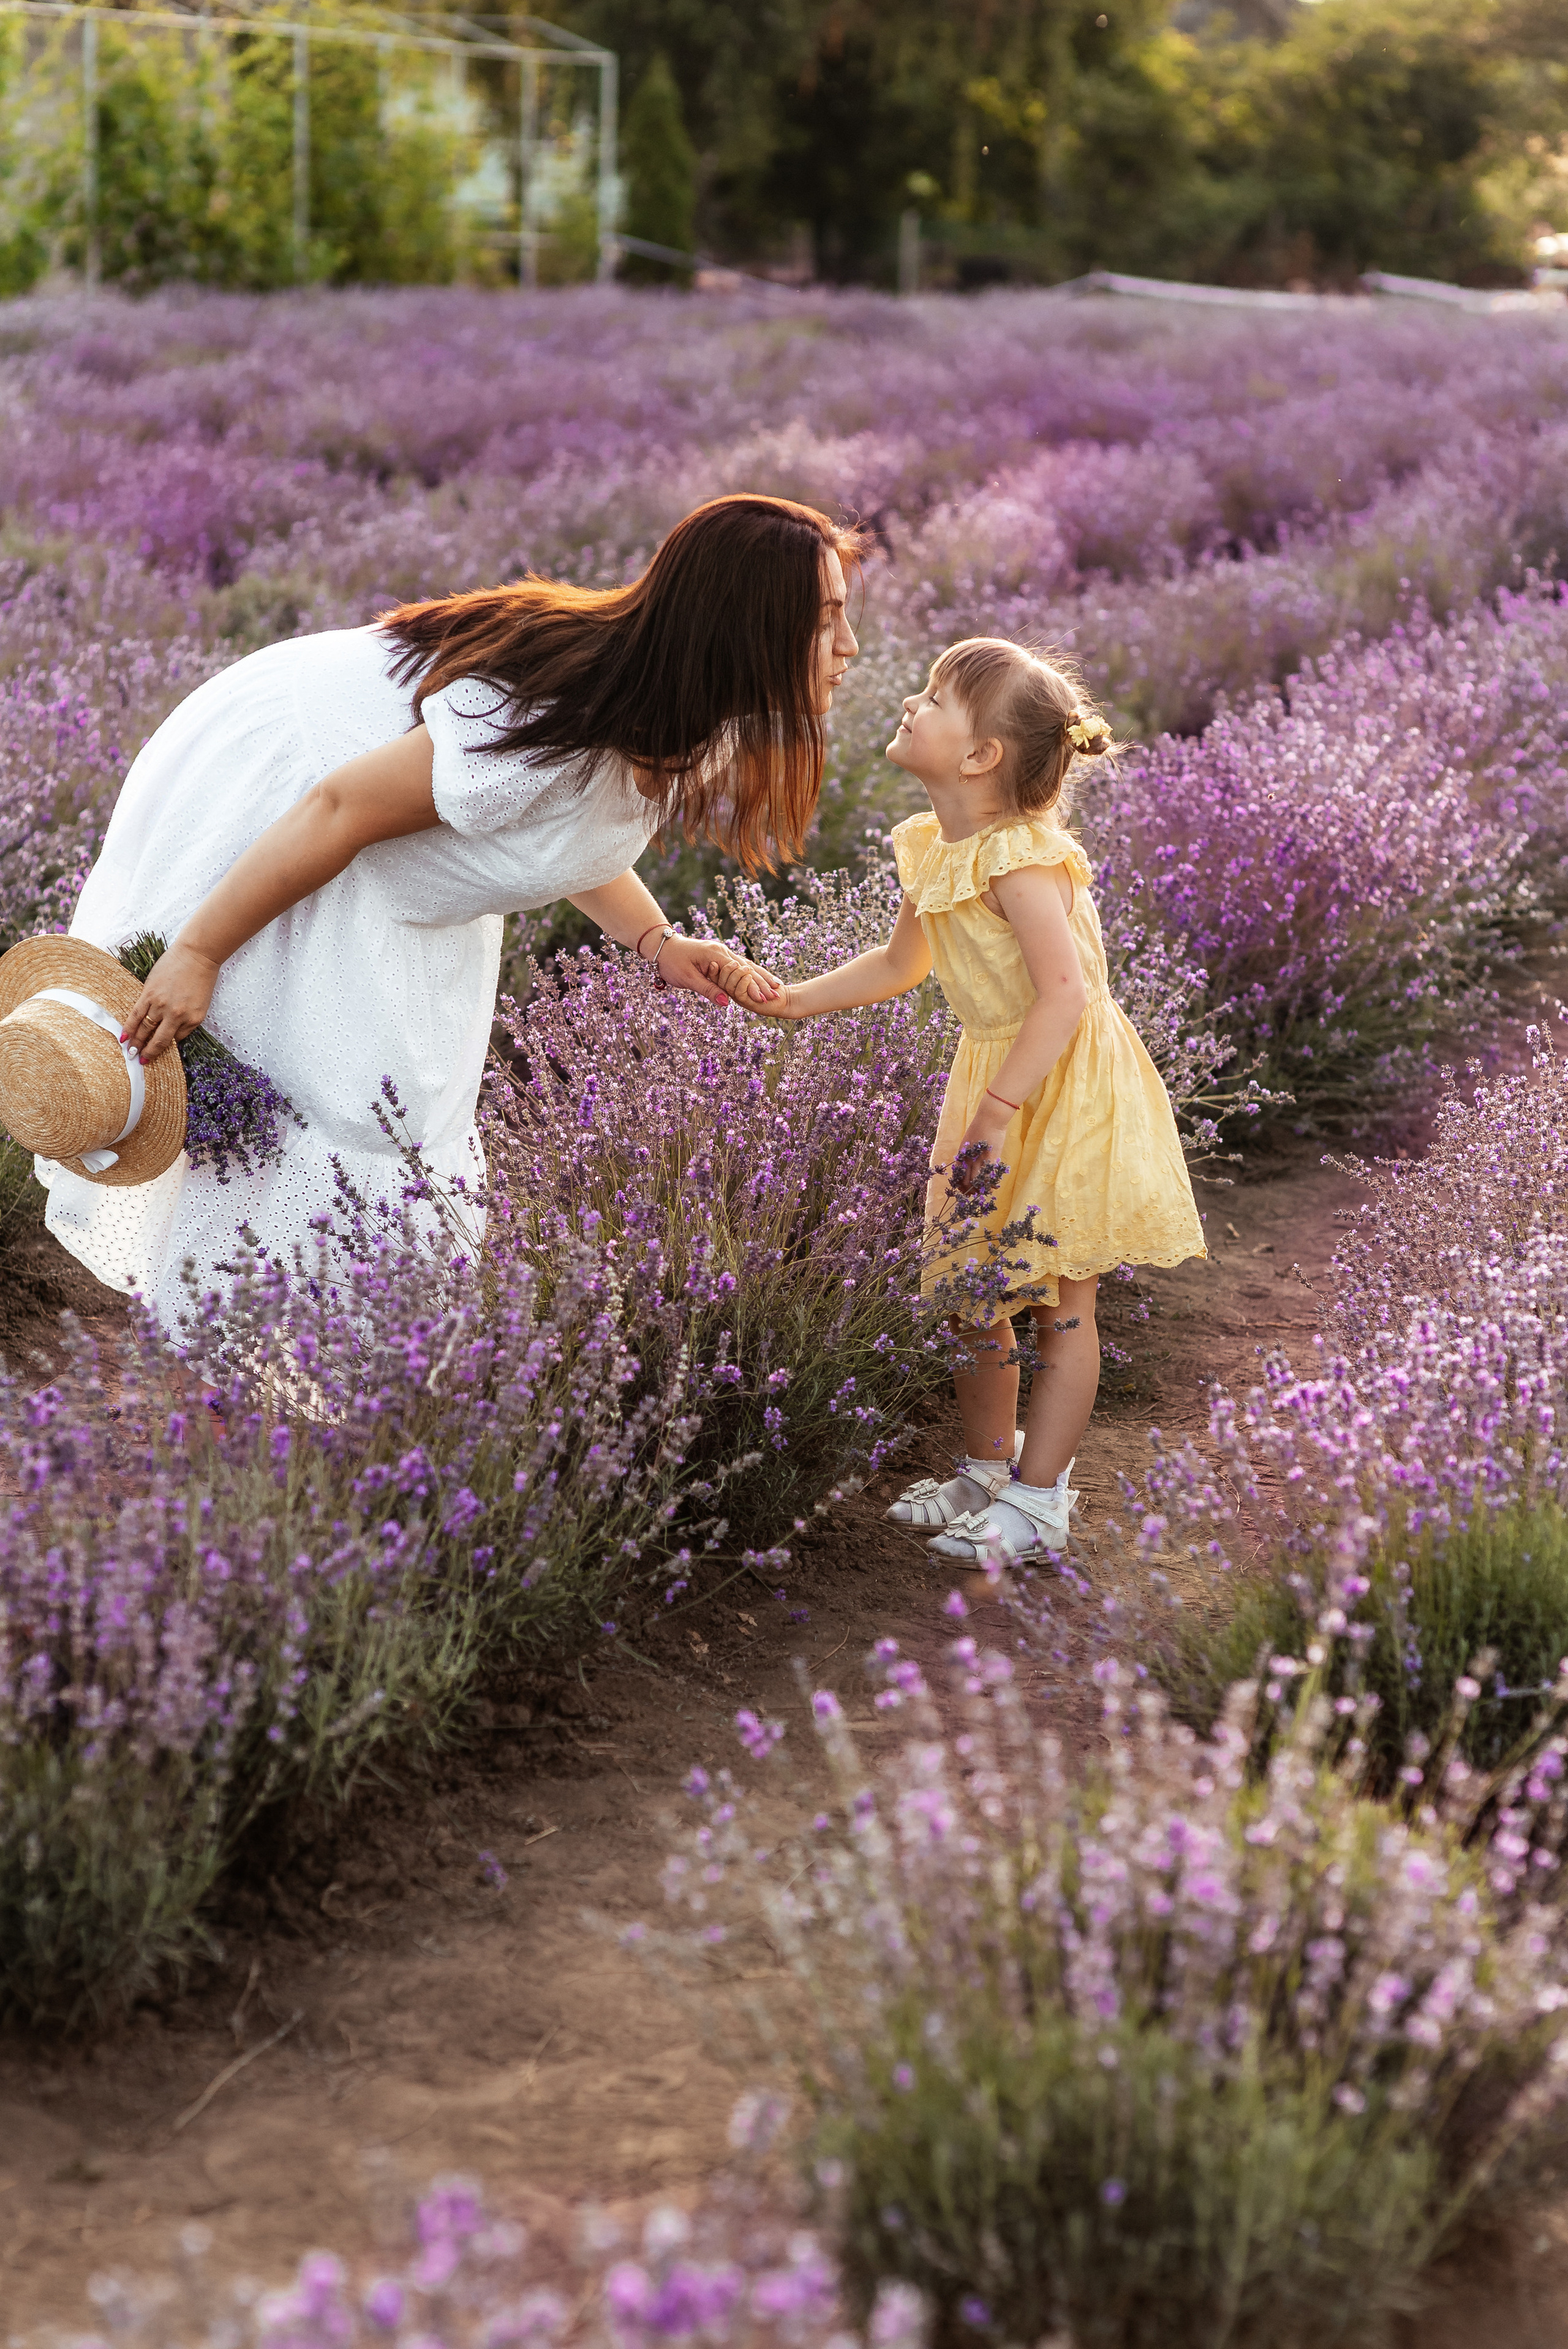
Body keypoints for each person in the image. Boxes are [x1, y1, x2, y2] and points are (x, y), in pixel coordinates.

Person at [42, 494, 862, 1328]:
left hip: (387, 865)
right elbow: (338, 809)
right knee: (328, 1104)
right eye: (827, 618)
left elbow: (564, 829)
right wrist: (201, 951)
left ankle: (340, 1383)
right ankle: (246, 1360)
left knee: (387, 1119)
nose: (850, 646)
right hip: (284, 796)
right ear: (745, 625)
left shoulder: (690, 714)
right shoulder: (547, 719)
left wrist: (656, 940)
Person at [744, 637, 1205, 1562]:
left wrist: (997, 1111)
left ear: (978, 756)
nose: (909, 703)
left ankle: (1040, 1502)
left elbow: (1066, 993)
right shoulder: (932, 846)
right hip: (994, 1076)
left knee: (1062, 1303)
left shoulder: (1022, 858)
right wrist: (795, 998)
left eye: (933, 697)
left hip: (1062, 1082)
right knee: (970, 1288)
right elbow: (901, 963)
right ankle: (988, 1468)